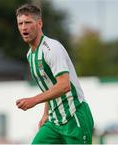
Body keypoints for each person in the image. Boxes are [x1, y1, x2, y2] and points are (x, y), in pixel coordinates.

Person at [15, 3, 94, 144]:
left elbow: (64, 85)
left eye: (28, 22)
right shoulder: (30, 55)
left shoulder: (51, 48)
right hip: (54, 122)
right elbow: (50, 86)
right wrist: (45, 113)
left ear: (39, 24)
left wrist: (33, 100)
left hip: (74, 115)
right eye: (20, 23)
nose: (23, 27)